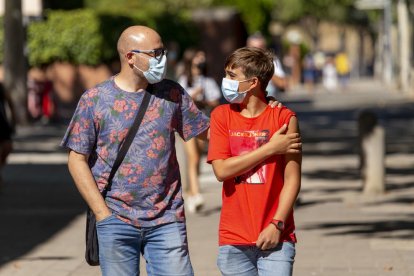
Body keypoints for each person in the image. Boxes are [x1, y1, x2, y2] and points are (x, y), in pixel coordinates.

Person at [61, 25, 210, 276]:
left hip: (167, 220)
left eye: (163, 52)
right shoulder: (95, 100)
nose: (162, 59)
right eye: (156, 53)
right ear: (130, 57)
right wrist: (103, 215)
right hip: (115, 219)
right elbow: (77, 160)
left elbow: (209, 135)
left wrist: (259, 131)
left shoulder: (172, 93)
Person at [207, 47, 302, 276]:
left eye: (232, 76)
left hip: (276, 236)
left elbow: (292, 180)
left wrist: (277, 224)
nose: (225, 81)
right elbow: (221, 170)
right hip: (233, 238)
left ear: (253, 83)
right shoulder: (221, 116)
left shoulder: (284, 118)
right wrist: (270, 148)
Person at [177, 48, 221, 213]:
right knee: (193, 157)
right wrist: (193, 95)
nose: (201, 59)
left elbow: (215, 100)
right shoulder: (184, 80)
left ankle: (190, 190)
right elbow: (179, 101)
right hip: (185, 122)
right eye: (198, 56)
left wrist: (207, 100)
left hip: (203, 121)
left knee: (198, 158)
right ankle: (195, 194)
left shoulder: (207, 80)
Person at [246, 32, 287, 99]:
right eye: (254, 48)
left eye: (260, 47)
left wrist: (266, 69)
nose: (257, 51)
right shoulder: (242, 62)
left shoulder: (272, 60)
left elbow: (282, 84)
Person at [0, 83, 16, 188]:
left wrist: (13, 120)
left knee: (8, 147)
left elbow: (9, 102)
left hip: (1, 122)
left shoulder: (1, 87)